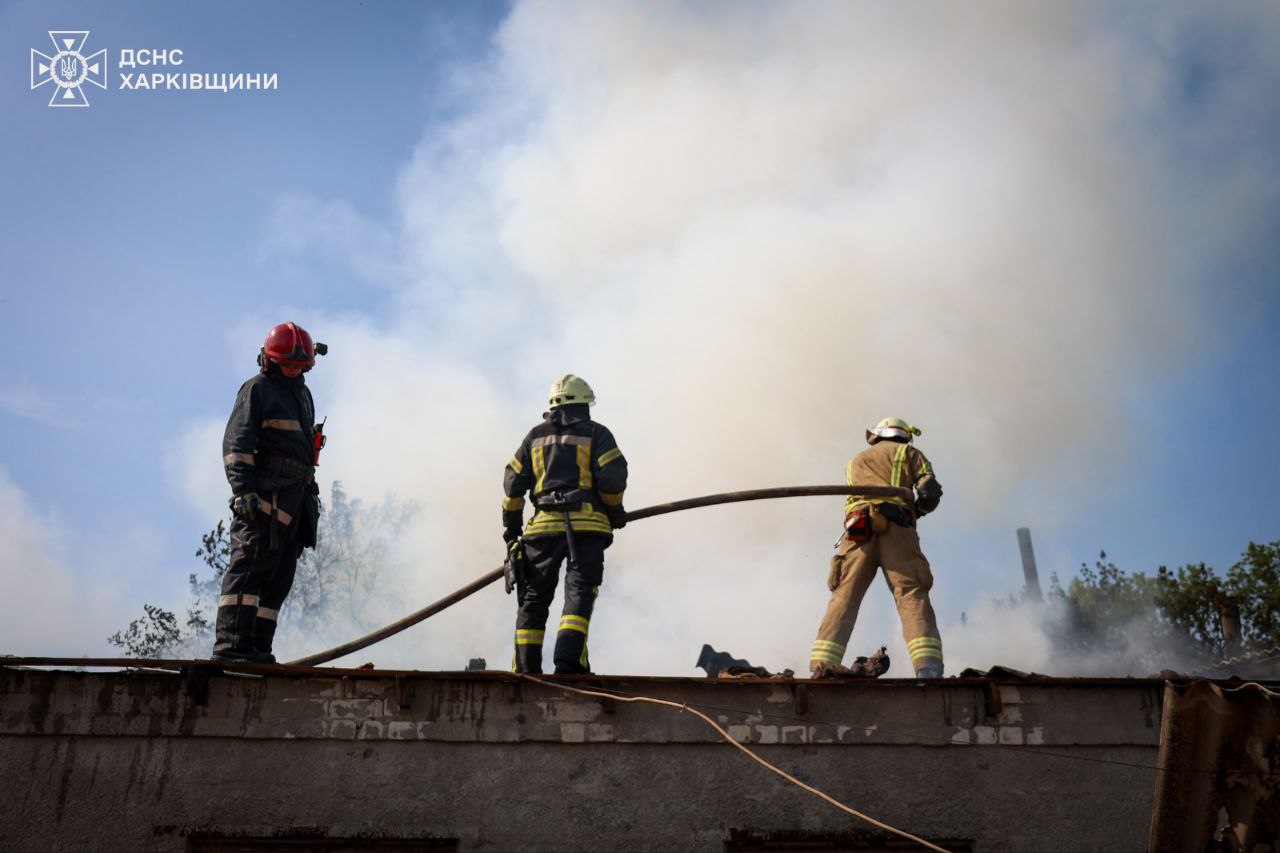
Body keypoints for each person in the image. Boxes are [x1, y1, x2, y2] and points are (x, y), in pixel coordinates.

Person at [213, 322, 325, 664]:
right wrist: (243, 489)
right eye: (287, 364)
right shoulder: (257, 389)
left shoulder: (302, 395)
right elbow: (237, 443)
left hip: (295, 498)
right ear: (270, 360)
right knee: (250, 567)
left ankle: (258, 648)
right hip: (263, 498)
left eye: (299, 365)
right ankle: (232, 647)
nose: (293, 370)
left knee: (278, 579)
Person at [502, 375, 628, 675]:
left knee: (533, 599)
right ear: (584, 404)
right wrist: (614, 511)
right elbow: (612, 478)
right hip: (586, 528)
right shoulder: (598, 434)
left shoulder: (534, 437)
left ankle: (526, 670)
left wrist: (512, 531)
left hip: (541, 530)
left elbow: (512, 486)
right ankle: (569, 663)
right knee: (579, 594)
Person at [810, 417, 945, 678]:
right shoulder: (909, 453)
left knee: (844, 597)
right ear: (904, 435)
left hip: (857, 533)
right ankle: (928, 668)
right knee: (911, 594)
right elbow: (930, 492)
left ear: (877, 435)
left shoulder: (856, 460)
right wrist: (918, 511)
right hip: (897, 529)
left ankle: (820, 667)